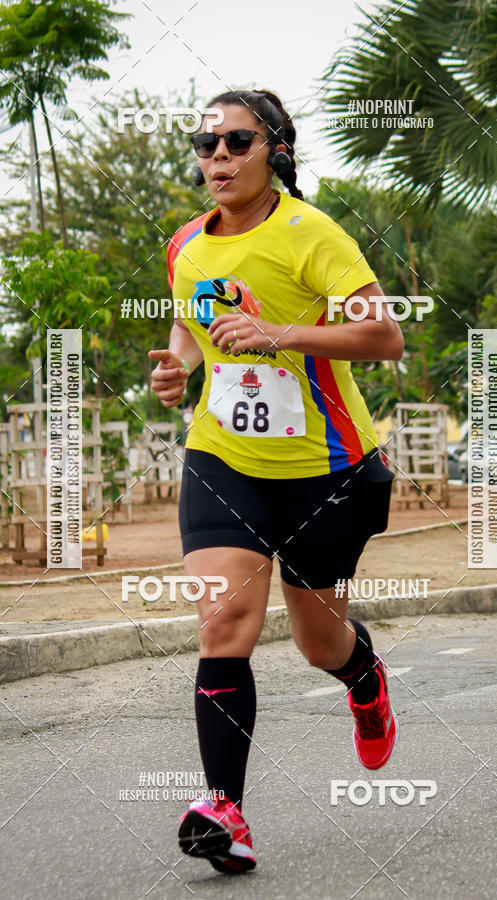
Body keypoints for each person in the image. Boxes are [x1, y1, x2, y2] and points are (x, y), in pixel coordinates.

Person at [149, 89, 404, 875]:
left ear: (275, 150)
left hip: (324, 469)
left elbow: (384, 337)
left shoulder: (312, 235)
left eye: (234, 141)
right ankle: (224, 807)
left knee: (317, 639)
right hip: (224, 460)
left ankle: (362, 676)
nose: (216, 157)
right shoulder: (186, 243)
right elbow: (195, 325)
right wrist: (179, 367)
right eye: (204, 143)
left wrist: (281, 332)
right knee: (225, 621)